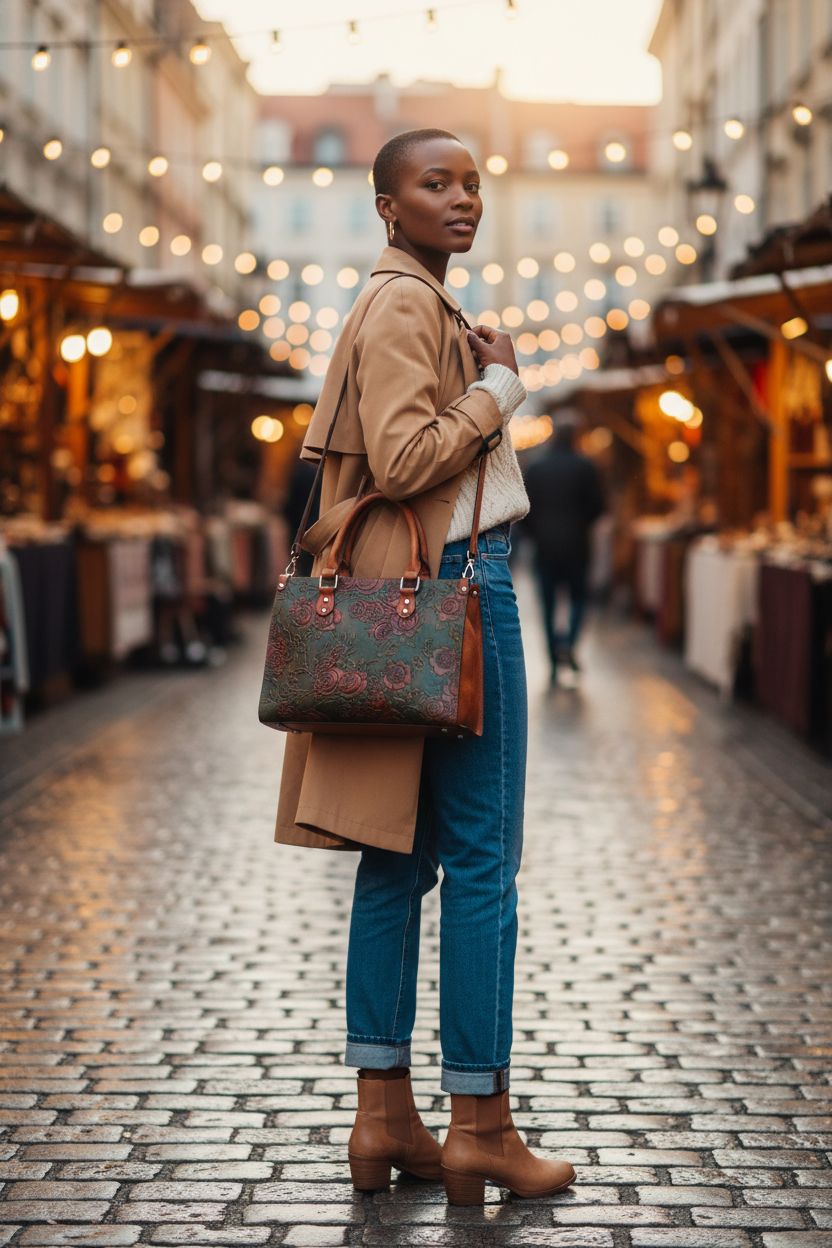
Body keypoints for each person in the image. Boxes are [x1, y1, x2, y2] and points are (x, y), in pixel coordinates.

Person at [272, 128, 576, 1206]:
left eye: (474, 182)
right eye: (434, 183)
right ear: (387, 207)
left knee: (395, 859)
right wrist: (499, 390)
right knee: (481, 860)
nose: (464, 198)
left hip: (411, 591)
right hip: (453, 590)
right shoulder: (406, 303)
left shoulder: (415, 303)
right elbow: (405, 460)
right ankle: (480, 1125)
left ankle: (385, 1118)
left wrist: (477, 364)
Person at [523, 408, 605, 683]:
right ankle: (568, 643)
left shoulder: (535, 467)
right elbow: (598, 508)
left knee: (547, 605)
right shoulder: (586, 467)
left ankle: (553, 661)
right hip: (577, 547)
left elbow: (524, 510)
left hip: (544, 547)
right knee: (580, 599)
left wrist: (535, 534)